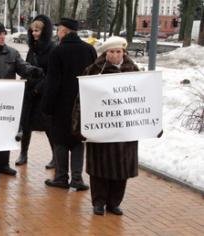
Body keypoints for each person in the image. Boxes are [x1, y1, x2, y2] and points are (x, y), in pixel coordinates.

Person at [75, 36, 140, 215]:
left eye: (118, 51)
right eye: (111, 52)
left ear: (123, 53)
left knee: (122, 169)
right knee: (99, 168)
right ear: (106, 53)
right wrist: (80, 125)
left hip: (125, 130)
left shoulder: (133, 71)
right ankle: (99, 201)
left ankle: (114, 202)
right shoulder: (94, 71)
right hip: (101, 128)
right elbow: (81, 100)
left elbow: (143, 99)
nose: (115, 55)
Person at [42, 18, 97, 191]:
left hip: (61, 105)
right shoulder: (89, 50)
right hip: (82, 104)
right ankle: (77, 178)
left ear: (64, 31)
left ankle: (61, 177)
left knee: (60, 141)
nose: (57, 33)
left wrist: (47, 106)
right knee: (78, 140)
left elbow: (53, 82)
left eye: (58, 30)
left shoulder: (57, 52)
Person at [0, 22, 43, 176]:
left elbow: (22, 66)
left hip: (6, 100)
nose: (3, 36)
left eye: (4, 33)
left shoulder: (12, 53)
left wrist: (33, 70)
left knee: (5, 133)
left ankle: (3, 164)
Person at [15, 15, 56, 168]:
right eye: (32, 31)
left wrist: (39, 88)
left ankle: (55, 157)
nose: (34, 34)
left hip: (43, 92)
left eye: (37, 31)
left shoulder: (52, 48)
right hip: (29, 91)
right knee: (26, 124)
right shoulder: (33, 48)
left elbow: (52, 73)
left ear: (45, 31)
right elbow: (27, 67)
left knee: (48, 126)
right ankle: (23, 153)